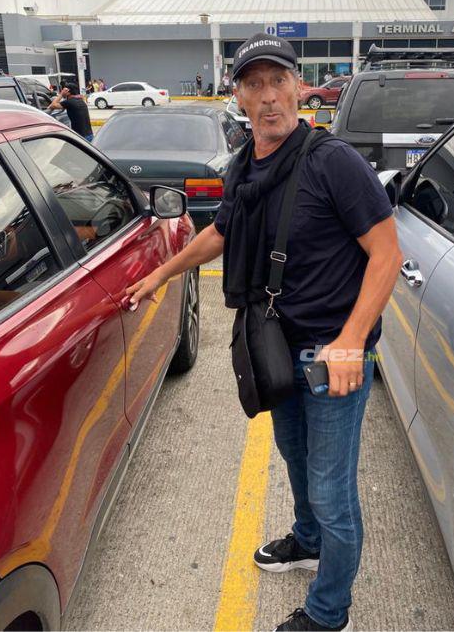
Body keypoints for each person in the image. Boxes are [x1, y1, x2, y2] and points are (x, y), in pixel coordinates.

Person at [126, 33, 402, 632]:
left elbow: (387, 255)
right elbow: (221, 232)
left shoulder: (334, 162)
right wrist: (161, 275)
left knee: (332, 492)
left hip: (332, 355)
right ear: (239, 97)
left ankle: (330, 614)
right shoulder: (245, 167)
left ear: (300, 88)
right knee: (295, 460)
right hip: (276, 345)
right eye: (255, 85)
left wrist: (353, 338)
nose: (269, 96)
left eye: (279, 81)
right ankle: (306, 543)